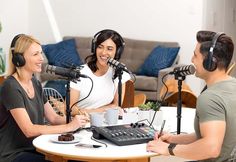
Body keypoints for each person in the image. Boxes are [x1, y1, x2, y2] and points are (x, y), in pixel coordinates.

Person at [146, 31, 236, 162]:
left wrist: (168, 149)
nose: (192, 60)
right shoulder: (232, 85)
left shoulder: (210, 98)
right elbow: (209, 134)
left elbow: (211, 148)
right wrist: (173, 139)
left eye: (195, 55)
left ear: (210, 62)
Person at [0, 34, 89, 162]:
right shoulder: (11, 87)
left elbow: (53, 118)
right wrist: (69, 127)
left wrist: (77, 121)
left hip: (37, 148)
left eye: (41, 53)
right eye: (35, 54)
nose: (42, 58)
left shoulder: (35, 83)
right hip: (14, 154)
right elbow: (29, 130)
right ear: (19, 59)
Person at [70, 29, 131, 115]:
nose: (103, 52)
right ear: (94, 48)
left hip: (105, 121)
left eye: (109, 49)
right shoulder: (79, 72)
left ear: (117, 52)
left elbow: (116, 106)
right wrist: (97, 111)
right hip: (79, 122)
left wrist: (85, 111)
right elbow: (69, 109)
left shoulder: (120, 71)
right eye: (100, 47)